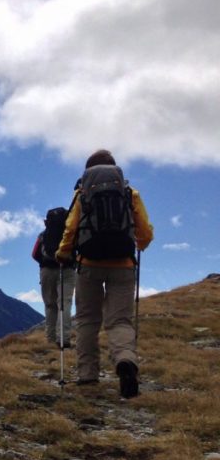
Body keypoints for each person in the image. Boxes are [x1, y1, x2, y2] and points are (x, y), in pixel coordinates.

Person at [55, 150, 153, 398]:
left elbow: (70, 229)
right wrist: (139, 244)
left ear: (88, 171)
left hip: (89, 264)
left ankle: (88, 375)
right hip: (123, 265)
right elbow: (145, 231)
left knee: (88, 320)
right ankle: (125, 360)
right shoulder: (129, 194)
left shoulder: (83, 194)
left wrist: (63, 253)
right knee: (120, 321)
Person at [31, 207, 75, 347]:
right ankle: (64, 339)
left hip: (47, 271)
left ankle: (50, 339)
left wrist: (44, 264)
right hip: (67, 270)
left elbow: (34, 254)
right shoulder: (71, 234)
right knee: (65, 303)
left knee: (50, 305)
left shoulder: (43, 235)